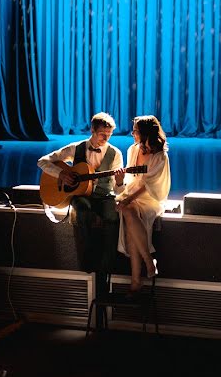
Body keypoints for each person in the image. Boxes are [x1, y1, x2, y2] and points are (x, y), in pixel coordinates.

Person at [37, 112, 123, 273]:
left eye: (109, 135)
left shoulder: (115, 153)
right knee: (83, 211)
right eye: (102, 134)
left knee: (113, 216)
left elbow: (118, 189)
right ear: (92, 130)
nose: (106, 139)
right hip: (81, 195)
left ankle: (108, 264)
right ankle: (89, 257)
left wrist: (120, 182)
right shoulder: (75, 148)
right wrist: (61, 174)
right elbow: (42, 161)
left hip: (104, 196)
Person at [113, 115, 171, 293]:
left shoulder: (160, 156)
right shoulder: (132, 150)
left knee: (128, 210)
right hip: (131, 196)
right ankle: (147, 264)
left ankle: (137, 279)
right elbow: (126, 185)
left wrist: (128, 199)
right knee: (129, 213)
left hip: (150, 199)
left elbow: (149, 185)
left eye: (136, 131)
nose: (132, 134)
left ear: (145, 133)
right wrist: (120, 182)